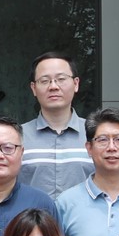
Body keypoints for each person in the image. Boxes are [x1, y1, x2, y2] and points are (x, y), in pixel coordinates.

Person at [19, 52, 92, 199]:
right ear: (33, 88)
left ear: (76, 84)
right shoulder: (17, 136)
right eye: (44, 81)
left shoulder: (95, 134)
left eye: (61, 79)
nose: (53, 86)